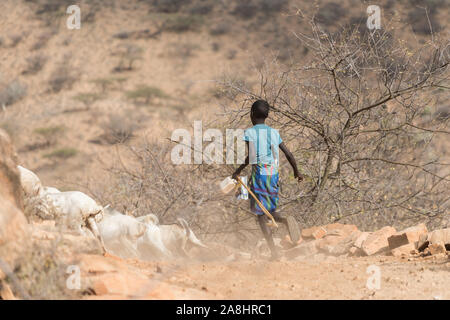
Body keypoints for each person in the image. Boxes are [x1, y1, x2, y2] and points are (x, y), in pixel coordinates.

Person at [232, 99, 303, 260]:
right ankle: (284, 220)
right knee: (268, 210)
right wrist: (296, 172)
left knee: (260, 214)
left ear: (251, 115)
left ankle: (274, 252)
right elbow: (289, 154)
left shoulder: (249, 133)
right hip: (273, 174)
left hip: (260, 174)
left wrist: (237, 171)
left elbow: (251, 158)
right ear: (268, 115)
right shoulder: (273, 132)